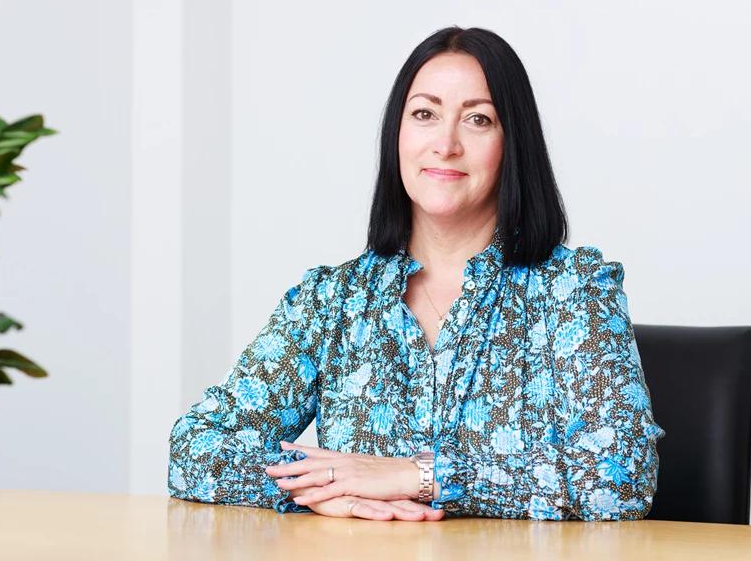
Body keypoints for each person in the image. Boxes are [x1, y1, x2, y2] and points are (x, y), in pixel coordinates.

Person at [168, 25, 665, 522]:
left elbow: (620, 477)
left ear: (513, 143)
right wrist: (327, 489)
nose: (445, 144)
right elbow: (194, 447)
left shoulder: (575, 291)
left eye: (478, 119)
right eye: (425, 114)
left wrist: (418, 476)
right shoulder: (331, 301)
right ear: (397, 135)